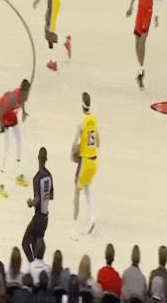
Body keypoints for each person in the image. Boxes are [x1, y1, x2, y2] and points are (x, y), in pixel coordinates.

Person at [0, 79, 31, 198]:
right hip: (4, 115)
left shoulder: (23, 96)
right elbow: (0, 112)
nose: (28, 95)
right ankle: (0, 185)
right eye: (27, 92)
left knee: (19, 142)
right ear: (23, 91)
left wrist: (23, 112)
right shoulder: (13, 99)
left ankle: (18, 175)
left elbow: (22, 103)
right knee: (7, 150)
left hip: (12, 115)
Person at [126, 0, 159, 90]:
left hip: (148, 11)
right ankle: (140, 68)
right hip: (140, 9)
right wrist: (131, 6)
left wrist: (157, 16)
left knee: (143, 40)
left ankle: (141, 71)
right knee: (136, 42)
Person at [71, 92, 99, 236]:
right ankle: (92, 219)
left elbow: (74, 144)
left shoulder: (81, 125)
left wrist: (73, 154)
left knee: (76, 192)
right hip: (94, 161)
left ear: (81, 104)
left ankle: (74, 226)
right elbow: (98, 143)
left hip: (85, 161)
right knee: (87, 189)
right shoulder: (94, 121)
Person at [22, 147, 54, 263]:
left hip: (38, 216)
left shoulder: (37, 178)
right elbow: (51, 196)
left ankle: (32, 265)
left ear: (38, 158)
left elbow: (36, 200)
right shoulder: (49, 176)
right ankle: (37, 265)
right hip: (45, 218)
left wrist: (30, 203)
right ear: (46, 159)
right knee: (36, 245)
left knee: (25, 243)